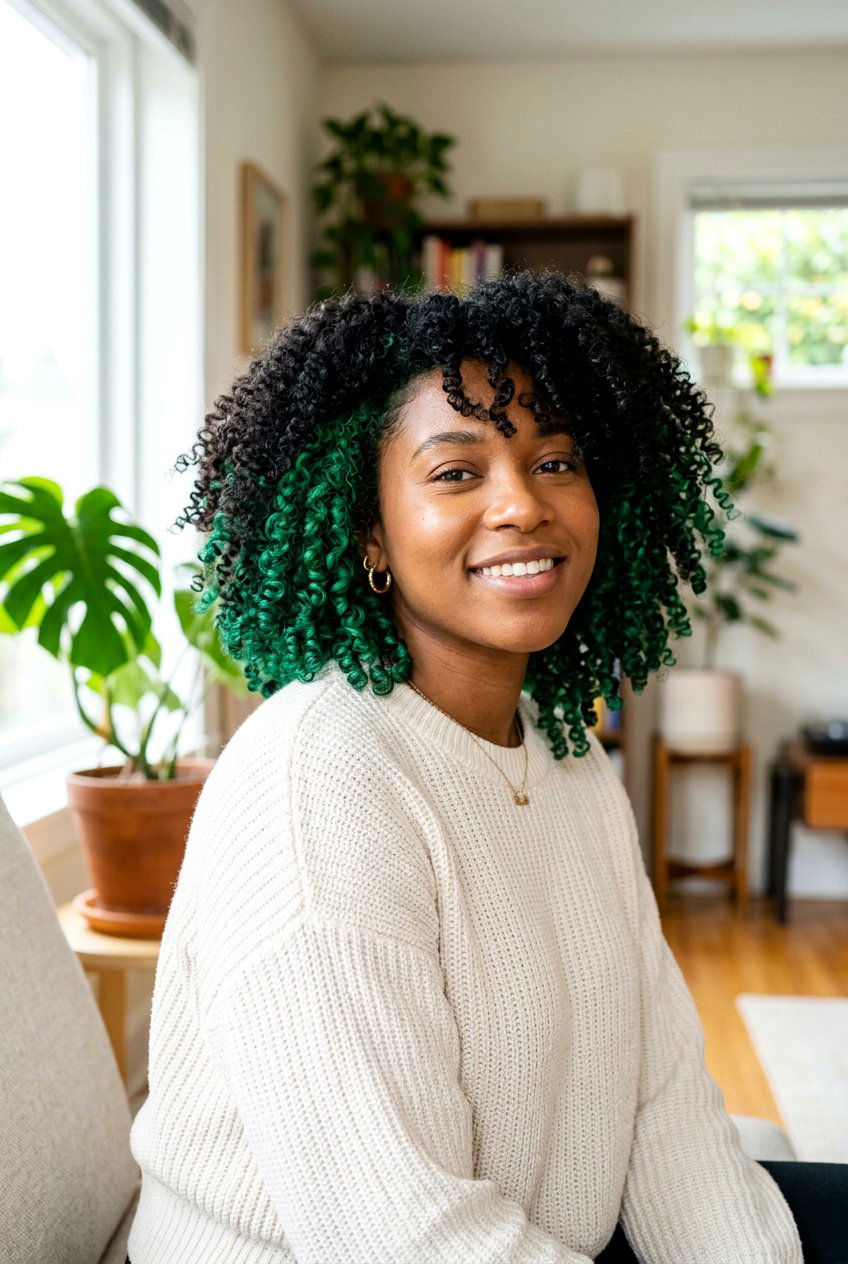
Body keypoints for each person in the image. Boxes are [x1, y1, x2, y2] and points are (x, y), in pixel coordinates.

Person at [125, 272, 838, 1263]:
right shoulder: (316, 782)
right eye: (455, 472)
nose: (521, 506)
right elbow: (397, 1233)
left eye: (554, 460)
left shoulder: (565, 755)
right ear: (368, 530)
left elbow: (659, 1106)